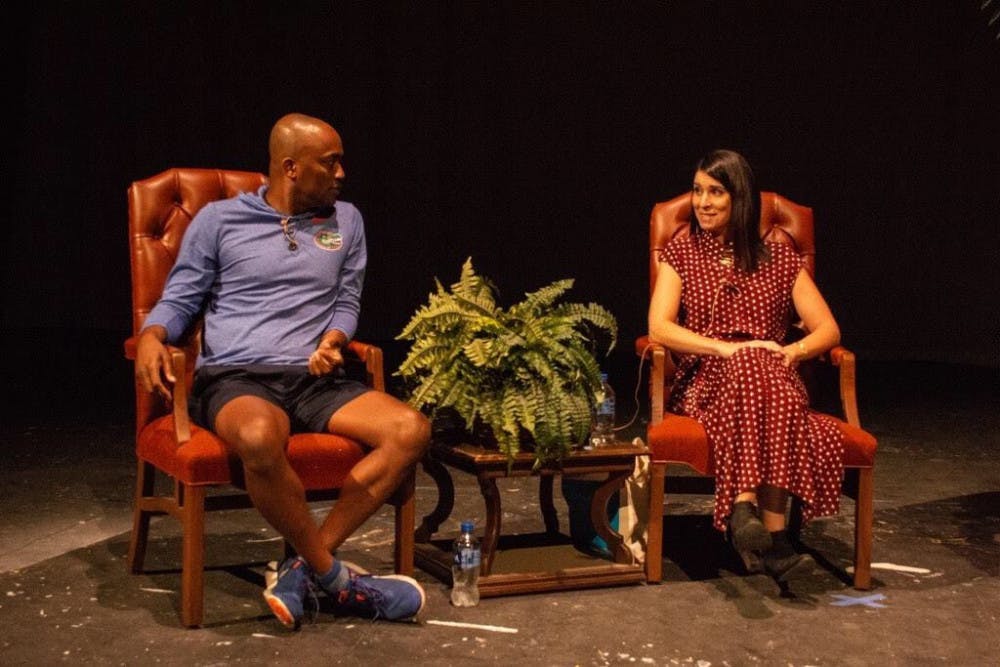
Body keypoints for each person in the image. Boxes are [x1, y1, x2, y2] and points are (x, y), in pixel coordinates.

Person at [135, 113, 431, 628]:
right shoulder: (220, 221)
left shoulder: (348, 221)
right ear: (291, 168)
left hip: (316, 380)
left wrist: (334, 342)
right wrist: (152, 336)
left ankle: (304, 567)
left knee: (410, 430)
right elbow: (179, 299)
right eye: (330, 162)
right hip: (238, 376)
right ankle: (338, 581)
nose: (342, 173)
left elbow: (346, 303)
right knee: (256, 436)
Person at [647, 149, 844, 582]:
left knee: (764, 371)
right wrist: (723, 350)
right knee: (755, 367)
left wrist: (793, 352)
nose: (703, 202)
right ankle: (771, 534)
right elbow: (658, 327)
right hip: (706, 379)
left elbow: (828, 329)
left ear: (741, 199)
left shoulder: (779, 260)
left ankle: (744, 512)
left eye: (716, 192)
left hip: (771, 377)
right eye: (698, 191)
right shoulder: (682, 255)